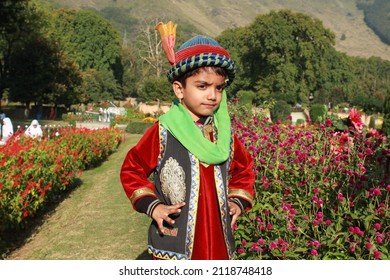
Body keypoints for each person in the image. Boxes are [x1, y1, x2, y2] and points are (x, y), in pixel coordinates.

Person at [120, 21, 255, 260]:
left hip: (218, 241)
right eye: (202, 86)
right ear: (179, 89)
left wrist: (237, 201)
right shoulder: (164, 131)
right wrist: (153, 206)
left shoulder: (224, 135)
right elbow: (132, 170)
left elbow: (244, 170)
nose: (212, 95)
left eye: (219, 88)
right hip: (175, 240)